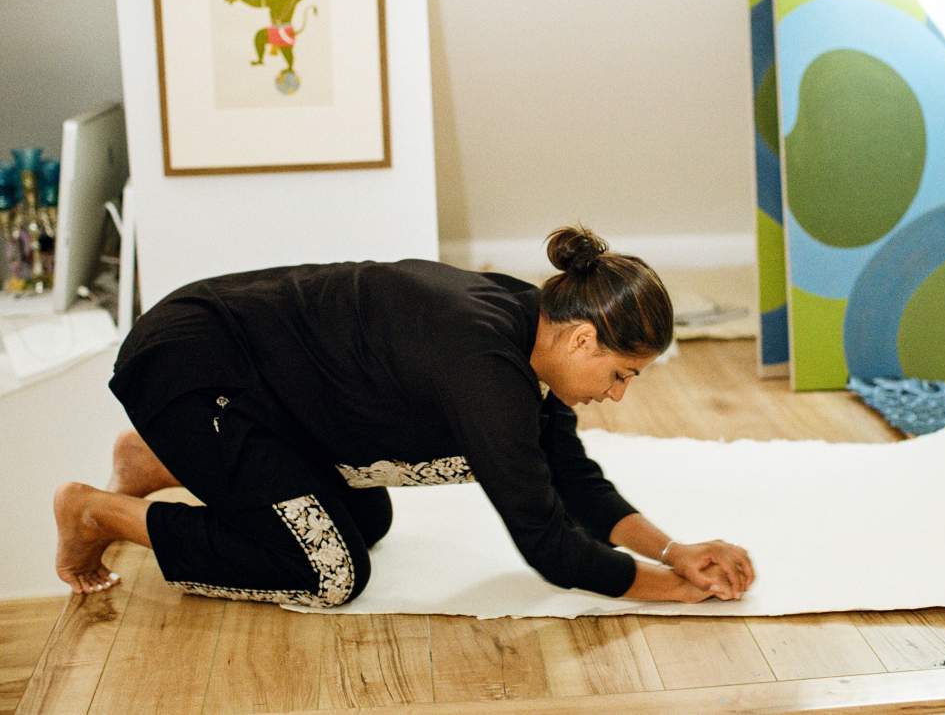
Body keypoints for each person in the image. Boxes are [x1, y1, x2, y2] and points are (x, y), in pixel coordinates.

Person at [54, 226, 756, 607]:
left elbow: (569, 475)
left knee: (370, 519)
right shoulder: (486, 369)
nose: (618, 395)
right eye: (620, 374)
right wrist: (664, 591)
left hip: (256, 386)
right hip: (194, 375)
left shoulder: (527, 326)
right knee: (329, 571)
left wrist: (672, 550)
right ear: (581, 338)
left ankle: (154, 461)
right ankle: (98, 512)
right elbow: (544, 537)